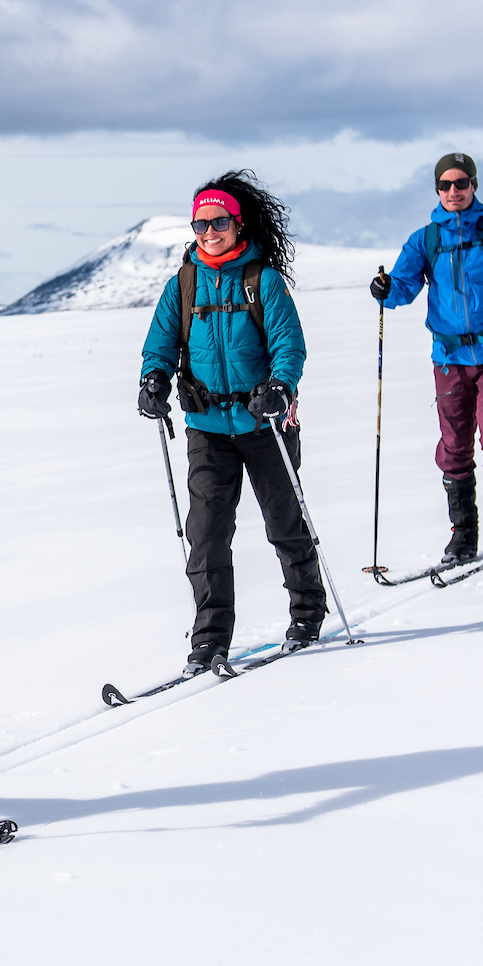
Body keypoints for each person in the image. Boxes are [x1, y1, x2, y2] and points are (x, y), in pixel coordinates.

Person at [136, 171, 322, 676]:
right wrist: (152, 377)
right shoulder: (185, 282)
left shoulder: (262, 279)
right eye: (200, 224)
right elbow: (161, 341)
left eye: (219, 221)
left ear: (238, 225)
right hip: (208, 427)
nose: (209, 231)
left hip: (266, 426)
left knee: (284, 524)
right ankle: (209, 638)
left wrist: (280, 386)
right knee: (207, 534)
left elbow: (289, 343)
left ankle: (307, 614)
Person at [370, 151, 483, 563]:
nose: (453, 191)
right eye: (445, 185)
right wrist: (384, 288)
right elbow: (403, 286)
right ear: (437, 189)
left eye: (460, 183)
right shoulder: (426, 239)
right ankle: (463, 535)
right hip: (448, 357)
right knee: (454, 443)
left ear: (474, 186)